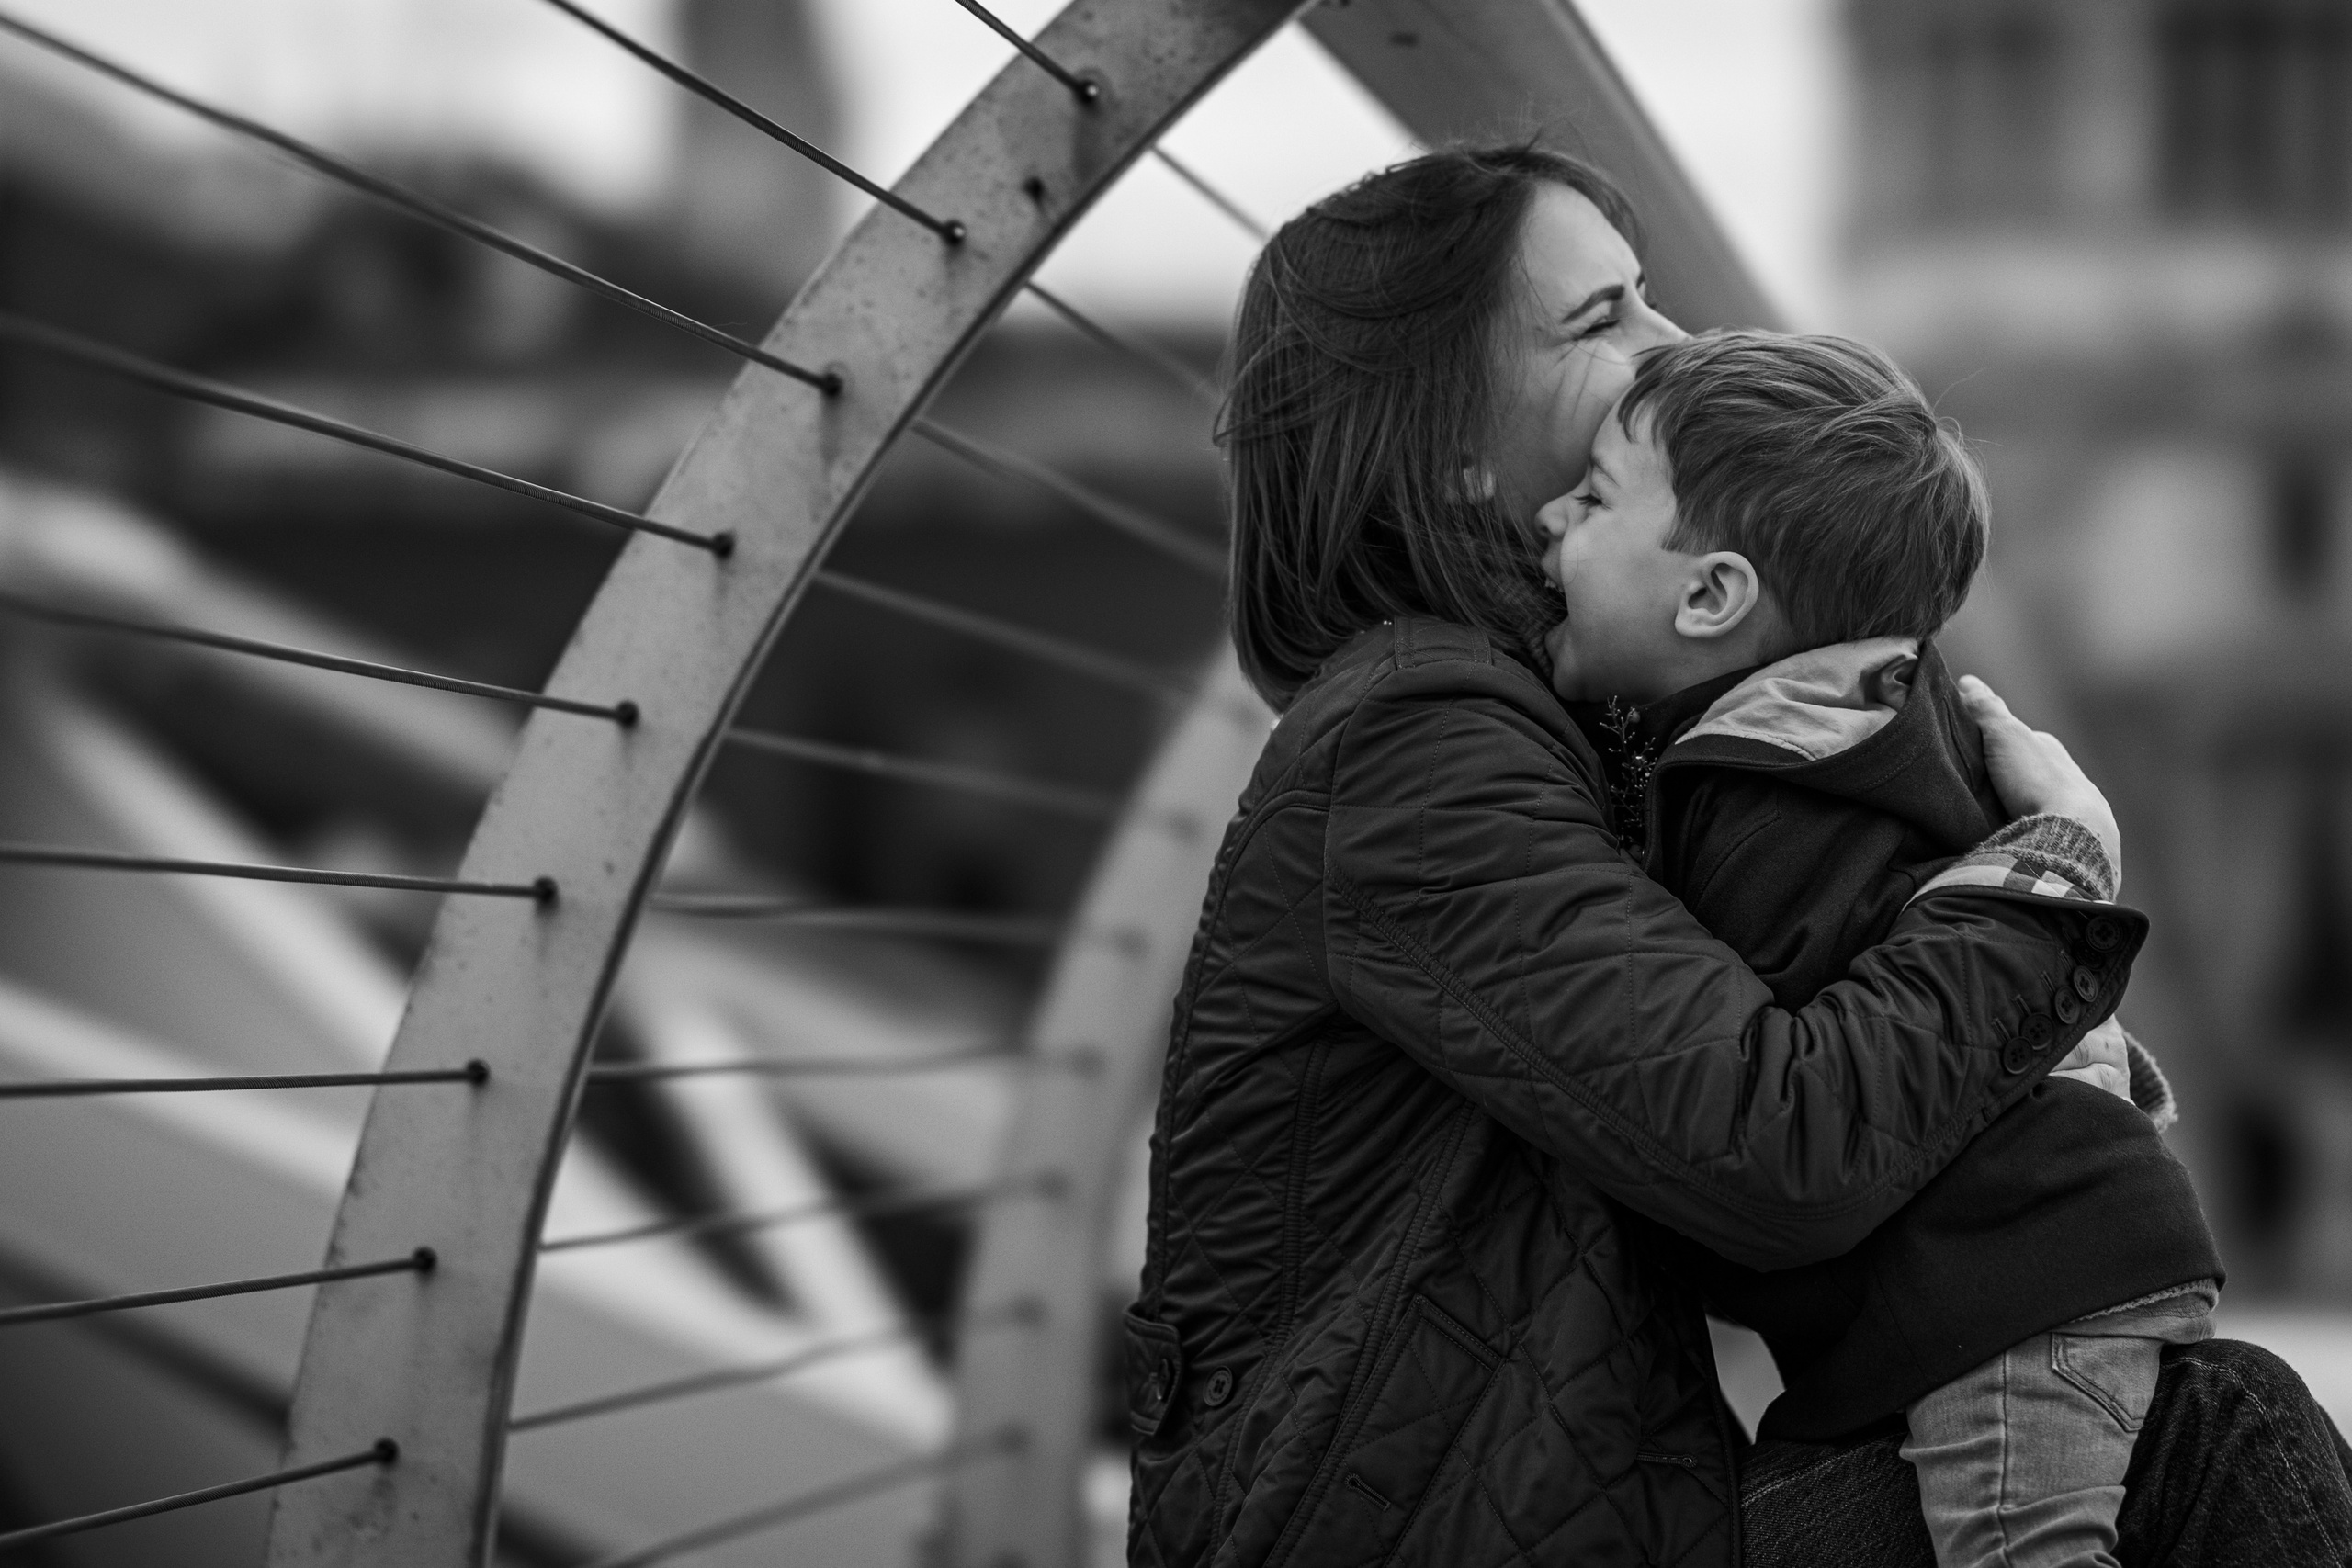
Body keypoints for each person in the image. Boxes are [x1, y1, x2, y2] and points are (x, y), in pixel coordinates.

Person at [1125, 143, 2352, 1568]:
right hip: (1443, 1528)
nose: (1678, 345)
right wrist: (2050, 877)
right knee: (2218, 1439)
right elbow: (1781, 1148)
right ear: (1453, 445)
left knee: (2194, 1421)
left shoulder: (1558, 719)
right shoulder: (1417, 738)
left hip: (1523, 1502)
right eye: (1605, 323)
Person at [1538, 329, 2222, 1568]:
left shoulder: (1785, 788)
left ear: (1711, 597)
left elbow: (1793, 1097)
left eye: (1590, 501)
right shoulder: (1844, 728)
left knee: (2023, 1549)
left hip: (2021, 1289)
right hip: (2029, 1265)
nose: (1548, 517)